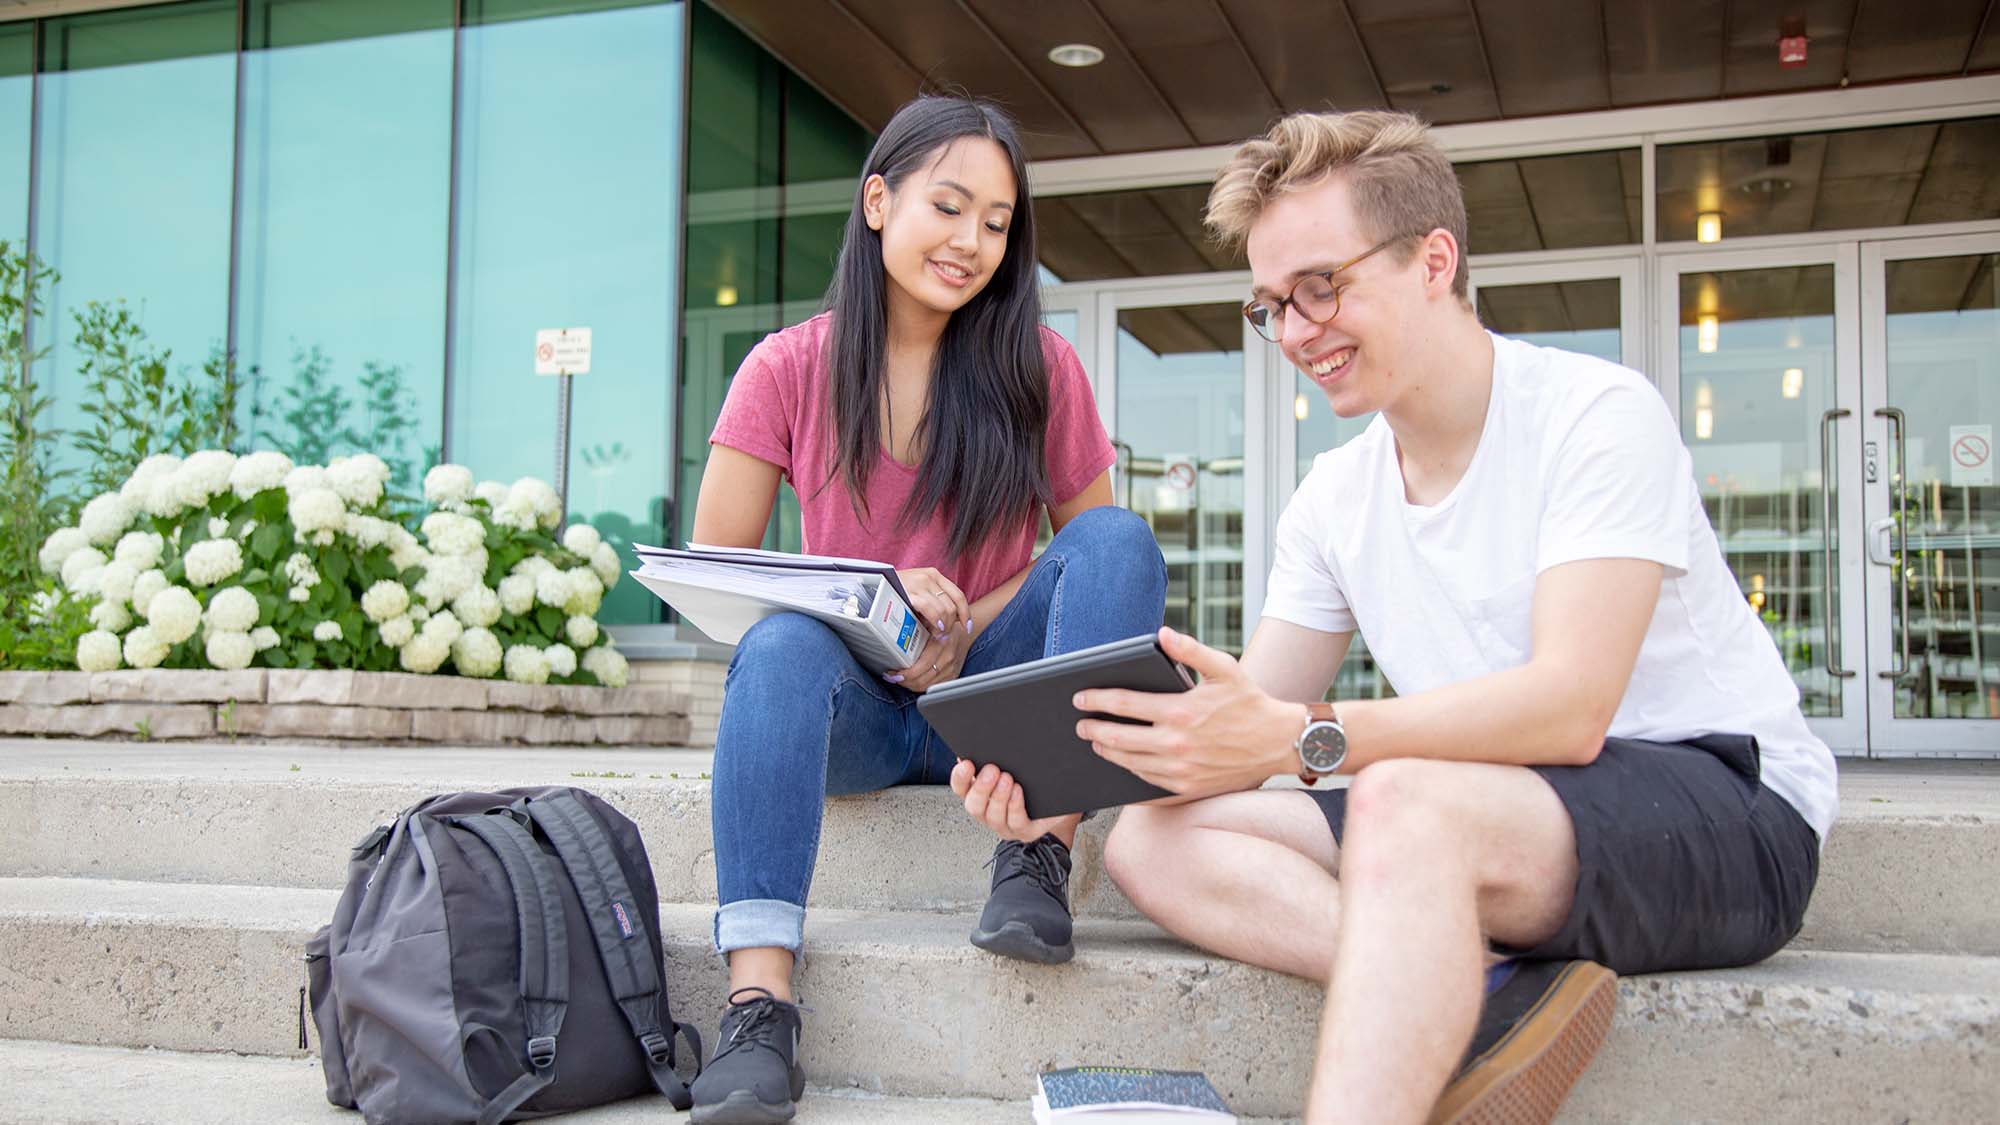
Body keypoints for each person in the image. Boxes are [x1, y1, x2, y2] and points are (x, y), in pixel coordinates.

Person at [1081, 110, 1836, 1124]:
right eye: (1271, 305)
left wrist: (1311, 738)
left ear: (1432, 260)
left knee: (1400, 796)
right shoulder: (1333, 495)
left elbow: (1570, 708)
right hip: (1484, 818)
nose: (1296, 332)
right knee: (1149, 842)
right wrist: (1058, 774)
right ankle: (1485, 990)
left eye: (1320, 286)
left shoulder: (1593, 416)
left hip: (1725, 803)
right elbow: (1247, 720)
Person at [684, 95, 1166, 1124]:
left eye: (995, 222)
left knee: (1122, 539)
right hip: (853, 708)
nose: (971, 242)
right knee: (773, 647)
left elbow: (1092, 569)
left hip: (990, 690)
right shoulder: (787, 367)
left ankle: (1036, 852)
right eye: (948, 207)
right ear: (875, 200)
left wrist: (964, 618)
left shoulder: (1040, 370)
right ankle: (759, 1009)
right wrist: (877, 601)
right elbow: (720, 576)